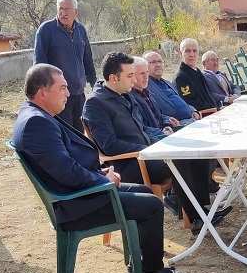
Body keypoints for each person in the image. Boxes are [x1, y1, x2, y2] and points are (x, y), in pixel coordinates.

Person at [11, 63, 184, 273]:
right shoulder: (37, 123)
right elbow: (66, 174)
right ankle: (150, 271)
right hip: (76, 205)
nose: (68, 93)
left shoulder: (36, 115)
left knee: (145, 190)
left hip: (78, 194)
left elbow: (62, 164)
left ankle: (141, 265)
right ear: (42, 93)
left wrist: (98, 172)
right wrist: (103, 180)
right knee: (151, 205)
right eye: (63, 88)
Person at [83, 52, 230, 234]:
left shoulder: (125, 95)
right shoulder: (95, 104)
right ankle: (197, 218)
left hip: (149, 154)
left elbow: (142, 131)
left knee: (194, 152)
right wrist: (148, 149)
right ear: (113, 78)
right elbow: (109, 145)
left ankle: (201, 211)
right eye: (130, 76)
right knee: (180, 159)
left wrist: (159, 142)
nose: (133, 80)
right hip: (130, 163)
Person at [33, 0, 97, 130]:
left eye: (67, 9)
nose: (63, 13)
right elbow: (39, 64)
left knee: (80, 134)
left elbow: (87, 59)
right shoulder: (46, 30)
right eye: (60, 9)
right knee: (65, 134)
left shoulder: (81, 30)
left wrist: (93, 83)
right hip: (58, 94)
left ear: (76, 12)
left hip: (79, 93)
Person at [144, 50, 200, 125]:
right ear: (144, 67)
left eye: (160, 61)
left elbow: (181, 102)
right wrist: (167, 121)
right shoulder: (146, 87)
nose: (158, 65)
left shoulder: (168, 83)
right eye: (153, 62)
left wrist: (193, 110)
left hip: (192, 120)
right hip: (177, 125)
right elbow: (151, 112)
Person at [130, 56, 178, 140]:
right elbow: (141, 127)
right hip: (153, 141)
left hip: (163, 135)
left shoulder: (148, 93)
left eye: (147, 72)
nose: (146, 77)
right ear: (132, 76)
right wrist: (162, 133)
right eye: (142, 73)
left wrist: (167, 124)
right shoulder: (130, 98)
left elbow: (158, 115)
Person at [174, 38, 220, 113]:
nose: (192, 55)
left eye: (194, 51)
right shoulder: (181, 77)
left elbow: (209, 95)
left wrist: (219, 107)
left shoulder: (197, 72)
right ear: (180, 54)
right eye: (187, 51)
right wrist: (216, 109)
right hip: (202, 118)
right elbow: (191, 102)